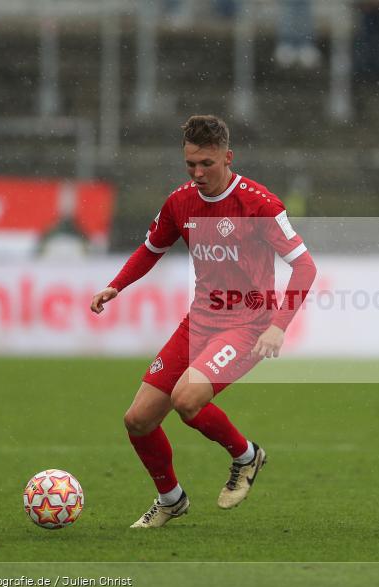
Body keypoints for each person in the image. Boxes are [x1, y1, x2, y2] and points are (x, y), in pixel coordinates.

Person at [90, 115, 317, 528]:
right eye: (190, 164)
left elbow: (304, 267)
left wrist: (279, 325)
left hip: (248, 325)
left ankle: (246, 456)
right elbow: (150, 249)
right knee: (137, 420)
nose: (197, 173)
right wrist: (115, 286)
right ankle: (171, 499)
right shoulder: (180, 202)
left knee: (186, 399)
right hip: (200, 321)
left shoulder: (259, 204)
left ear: (228, 158)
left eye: (206, 164)